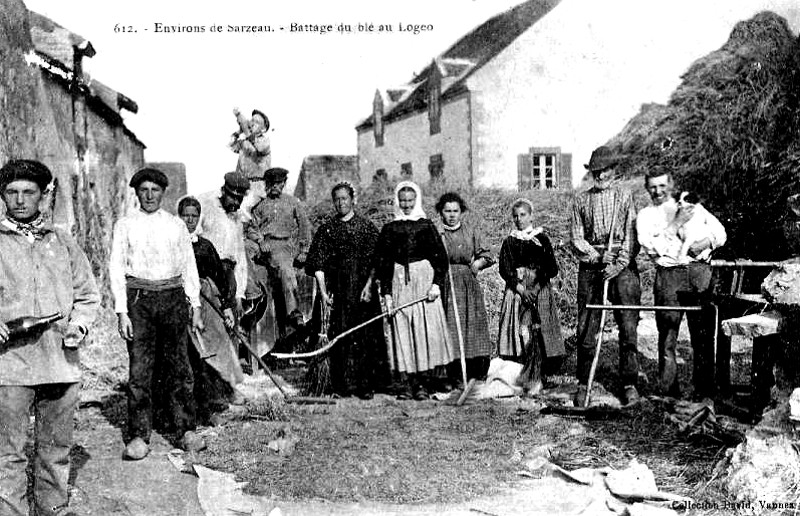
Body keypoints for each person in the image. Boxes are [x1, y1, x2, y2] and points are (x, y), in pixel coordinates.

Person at [0, 159, 100, 516]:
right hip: (10, 365)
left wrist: (80, 325)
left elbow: (88, 294)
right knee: (7, 453)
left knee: (55, 448)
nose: (20, 200)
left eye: (29, 192)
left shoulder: (62, 240)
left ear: (43, 196)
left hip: (60, 360)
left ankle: (52, 508)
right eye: (12, 192)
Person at [109, 167, 206, 460]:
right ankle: (140, 434)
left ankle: (185, 429)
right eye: (144, 190)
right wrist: (121, 312)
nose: (149, 195)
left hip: (173, 298)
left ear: (163, 193)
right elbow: (116, 268)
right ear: (136, 193)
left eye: (155, 190)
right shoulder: (124, 225)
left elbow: (189, 266)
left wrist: (196, 306)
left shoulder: (176, 225)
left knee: (180, 367)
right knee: (140, 370)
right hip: (139, 300)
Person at [637, 169, 727, 400]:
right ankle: (669, 393)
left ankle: (704, 392)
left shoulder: (691, 205)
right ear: (647, 188)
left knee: (704, 336)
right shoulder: (645, 216)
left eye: (662, 185)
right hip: (669, 275)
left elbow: (720, 232)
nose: (658, 191)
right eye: (653, 187)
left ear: (671, 185)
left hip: (699, 272)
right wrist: (676, 223)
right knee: (668, 334)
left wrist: (707, 241)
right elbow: (655, 249)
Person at [570, 145, 642, 406]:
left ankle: (629, 382)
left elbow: (632, 235)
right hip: (592, 265)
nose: (600, 175)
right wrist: (599, 258)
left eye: (605, 170)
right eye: (596, 171)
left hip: (621, 265)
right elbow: (576, 238)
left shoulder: (624, 197)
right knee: (587, 323)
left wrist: (619, 263)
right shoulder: (581, 200)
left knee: (627, 323)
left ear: (614, 170)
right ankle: (584, 381)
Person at [304, 181, 385, 398]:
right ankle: (340, 385)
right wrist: (322, 292)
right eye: (337, 199)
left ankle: (365, 385)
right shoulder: (327, 229)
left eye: (344, 198)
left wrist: (369, 287)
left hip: (361, 291)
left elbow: (377, 261)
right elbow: (317, 264)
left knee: (364, 336)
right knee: (337, 335)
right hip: (336, 292)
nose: (341, 203)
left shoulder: (366, 227)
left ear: (352, 200)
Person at [373, 181, 453, 400]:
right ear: (397, 201)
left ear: (416, 200)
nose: (406, 205)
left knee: (424, 330)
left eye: (410, 200)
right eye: (403, 200)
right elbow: (383, 264)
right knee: (403, 330)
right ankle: (407, 384)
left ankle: (423, 384)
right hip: (400, 282)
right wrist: (387, 294)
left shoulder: (426, 225)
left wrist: (436, 284)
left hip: (424, 282)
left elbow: (440, 259)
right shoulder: (390, 229)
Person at [177, 196, 245, 424]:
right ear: (179, 216)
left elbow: (219, 276)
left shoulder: (204, 246)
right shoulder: (173, 242)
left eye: (194, 216)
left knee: (219, 346)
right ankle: (199, 406)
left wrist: (225, 307)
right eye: (186, 215)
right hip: (182, 302)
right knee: (193, 353)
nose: (190, 220)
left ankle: (226, 391)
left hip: (207, 303)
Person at [497, 198, 565, 395]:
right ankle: (520, 371)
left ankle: (539, 373)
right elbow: (505, 268)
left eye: (523, 215)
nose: (519, 220)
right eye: (516, 216)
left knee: (540, 329)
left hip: (540, 290)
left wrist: (535, 288)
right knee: (521, 330)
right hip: (517, 291)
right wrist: (519, 288)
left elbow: (551, 268)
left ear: (531, 216)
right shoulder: (510, 241)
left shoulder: (541, 238)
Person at [244, 167, 312, 360]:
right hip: (263, 244)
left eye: (278, 183)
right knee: (245, 249)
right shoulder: (261, 205)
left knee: (283, 268)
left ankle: (294, 312)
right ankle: (251, 293)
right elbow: (251, 228)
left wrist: (304, 250)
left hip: (283, 245)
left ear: (283, 184)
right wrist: (259, 240)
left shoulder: (293, 203)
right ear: (266, 185)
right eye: (271, 184)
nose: (275, 187)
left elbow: (305, 227)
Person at [435, 192, 494, 382]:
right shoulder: (437, 232)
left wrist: (477, 264)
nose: (451, 215)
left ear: (461, 212)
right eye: (447, 211)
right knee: (450, 325)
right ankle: (453, 373)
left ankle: (475, 370)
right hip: (445, 283)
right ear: (441, 212)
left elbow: (488, 254)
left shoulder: (470, 231)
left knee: (472, 325)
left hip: (467, 283)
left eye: (455, 211)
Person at [196, 171, 251, 327]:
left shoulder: (238, 218)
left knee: (231, 323)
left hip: (228, 276)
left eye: (239, 199)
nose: (235, 202)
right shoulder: (206, 206)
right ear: (223, 191)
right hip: (207, 273)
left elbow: (240, 258)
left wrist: (240, 294)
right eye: (232, 197)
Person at [230, 108, 271, 221]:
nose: (252, 123)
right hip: (241, 184)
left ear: (263, 129)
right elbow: (230, 144)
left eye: (257, 122)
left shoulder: (265, 141)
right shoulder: (245, 142)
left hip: (257, 185)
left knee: (243, 209)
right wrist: (239, 131)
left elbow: (260, 148)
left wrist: (246, 131)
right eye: (251, 120)